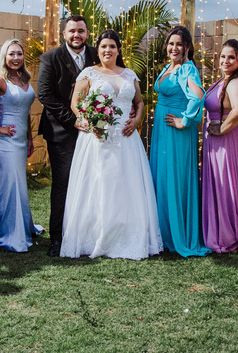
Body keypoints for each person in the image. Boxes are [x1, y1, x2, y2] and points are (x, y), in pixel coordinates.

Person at [61, 29, 163, 259]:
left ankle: (127, 233)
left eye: (112, 46)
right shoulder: (89, 73)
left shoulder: (130, 74)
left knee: (127, 185)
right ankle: (95, 234)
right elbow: (76, 103)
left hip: (127, 138)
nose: (108, 50)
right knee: (99, 185)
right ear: (98, 50)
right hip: (97, 139)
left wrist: (136, 120)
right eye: (103, 46)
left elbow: (139, 103)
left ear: (119, 50)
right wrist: (89, 121)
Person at [37, 15, 99, 256]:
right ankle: (57, 238)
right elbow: (45, 94)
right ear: (64, 34)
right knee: (63, 183)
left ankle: (89, 235)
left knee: (92, 182)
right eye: (72, 31)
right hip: (61, 132)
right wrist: (74, 120)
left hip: (94, 131)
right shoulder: (50, 58)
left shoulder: (98, 54)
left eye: (81, 31)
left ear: (87, 33)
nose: (77, 35)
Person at [149, 25, 209, 257]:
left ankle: (177, 234)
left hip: (176, 132)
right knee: (163, 176)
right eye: (171, 43)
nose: (174, 48)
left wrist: (185, 120)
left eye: (179, 44)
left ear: (187, 47)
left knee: (174, 178)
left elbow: (199, 96)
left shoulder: (187, 69)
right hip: (162, 130)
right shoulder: (169, 67)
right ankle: (163, 233)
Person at [0, 38, 40, 252]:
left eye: (19, 54)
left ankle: (19, 226)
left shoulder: (24, 79)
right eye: (11, 54)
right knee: (11, 184)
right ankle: (9, 233)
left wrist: (30, 137)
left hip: (21, 140)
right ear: (4, 57)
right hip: (5, 141)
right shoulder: (0, 80)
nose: (16, 58)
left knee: (18, 183)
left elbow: (26, 112)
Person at [200, 40, 238, 254]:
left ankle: (230, 235)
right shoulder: (223, 80)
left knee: (227, 184)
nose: (226, 60)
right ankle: (221, 230)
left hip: (227, 141)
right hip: (216, 142)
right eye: (223, 56)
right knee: (220, 183)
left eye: (231, 57)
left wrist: (221, 129)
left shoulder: (235, 82)